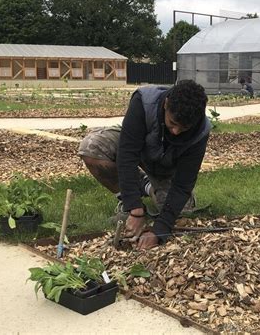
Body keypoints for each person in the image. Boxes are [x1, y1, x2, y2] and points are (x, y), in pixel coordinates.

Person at [78, 80, 211, 250]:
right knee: (92, 146)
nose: (176, 132)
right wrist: (134, 208)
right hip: (141, 151)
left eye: (183, 128)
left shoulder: (200, 132)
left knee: (180, 213)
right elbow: (127, 156)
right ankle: (128, 196)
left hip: (167, 168)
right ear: (166, 104)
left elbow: (183, 183)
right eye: (172, 123)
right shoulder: (144, 102)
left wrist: (160, 230)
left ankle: (149, 187)